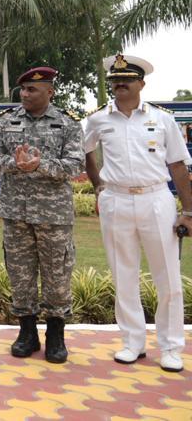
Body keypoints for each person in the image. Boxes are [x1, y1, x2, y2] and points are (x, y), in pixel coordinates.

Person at [83, 54, 192, 372]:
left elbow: (178, 166)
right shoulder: (98, 119)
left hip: (155, 199)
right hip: (115, 201)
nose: (119, 85)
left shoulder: (163, 119)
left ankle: (171, 346)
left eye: (126, 80)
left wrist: (189, 211)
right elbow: (86, 150)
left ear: (141, 84)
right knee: (123, 274)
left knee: (168, 277)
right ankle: (132, 342)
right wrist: (97, 185)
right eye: (115, 81)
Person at [0, 66, 84, 364]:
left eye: (32, 90)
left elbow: (75, 165)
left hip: (54, 215)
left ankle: (56, 335)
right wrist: (16, 164)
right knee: (21, 275)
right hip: (16, 213)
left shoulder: (67, 123)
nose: (25, 95)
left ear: (49, 92)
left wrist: (40, 165)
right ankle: (27, 333)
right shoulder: (6, 120)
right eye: (23, 90)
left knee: (56, 276)